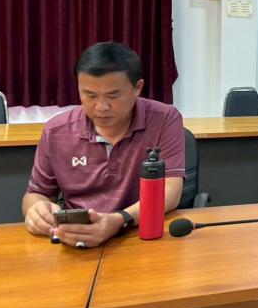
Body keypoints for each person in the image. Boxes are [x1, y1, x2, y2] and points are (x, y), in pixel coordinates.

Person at [22, 42, 185, 248]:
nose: (101, 107)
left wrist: (118, 221)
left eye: (113, 95)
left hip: (138, 236)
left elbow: (170, 190)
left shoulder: (164, 119)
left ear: (137, 88)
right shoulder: (56, 131)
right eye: (90, 95)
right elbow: (36, 194)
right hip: (76, 240)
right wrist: (37, 210)